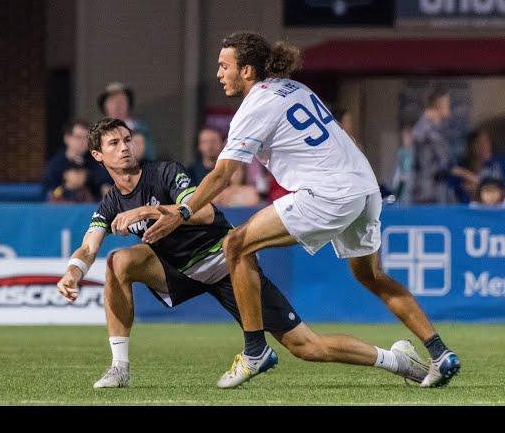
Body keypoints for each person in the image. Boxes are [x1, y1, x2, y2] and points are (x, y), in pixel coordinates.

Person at [142, 31, 460, 389]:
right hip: (363, 186)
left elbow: (222, 175)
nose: (219, 73)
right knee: (372, 276)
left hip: (328, 192)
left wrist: (181, 213)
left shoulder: (256, 104)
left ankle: (254, 350)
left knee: (235, 245)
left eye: (224, 66)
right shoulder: (294, 89)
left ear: (247, 71)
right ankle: (439, 351)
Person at [56, 118, 428, 389]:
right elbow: (90, 244)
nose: (124, 147)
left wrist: (148, 211)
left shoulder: (166, 173)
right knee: (118, 261)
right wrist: (73, 271)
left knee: (307, 347)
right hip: (179, 271)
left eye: (126, 139)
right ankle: (119, 367)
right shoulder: (109, 203)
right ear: (97, 155)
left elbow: (201, 212)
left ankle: (397, 360)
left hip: (227, 263)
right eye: (114, 144)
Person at [42, 119, 112, 200]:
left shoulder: (97, 161)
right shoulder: (55, 164)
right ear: (67, 138)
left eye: (86, 137)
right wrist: (66, 186)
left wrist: (88, 177)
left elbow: (106, 185)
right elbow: (47, 193)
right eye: (78, 137)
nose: (82, 141)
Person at [98, 81, 157, 161]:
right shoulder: (97, 131)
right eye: (112, 101)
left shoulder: (140, 129)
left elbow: (147, 155)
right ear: (105, 106)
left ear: (128, 104)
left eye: (121, 100)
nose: (117, 105)